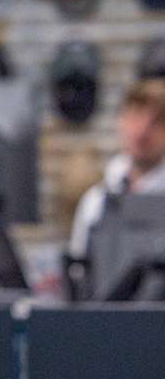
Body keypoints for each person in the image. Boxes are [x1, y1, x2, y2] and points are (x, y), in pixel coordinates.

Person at [69, 78, 165, 267]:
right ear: (121, 121)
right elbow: (78, 270)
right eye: (135, 116)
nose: (143, 129)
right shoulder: (95, 201)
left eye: (157, 122)